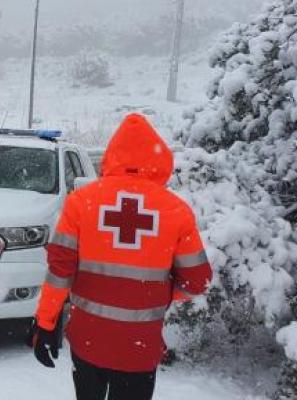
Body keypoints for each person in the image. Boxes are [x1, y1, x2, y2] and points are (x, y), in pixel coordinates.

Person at [32, 113, 213, 400]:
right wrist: (161, 294)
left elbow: (59, 272)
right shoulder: (175, 211)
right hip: (139, 348)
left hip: (88, 341)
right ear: (160, 158)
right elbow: (198, 281)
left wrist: (45, 323)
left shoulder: (81, 202)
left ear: (112, 154)